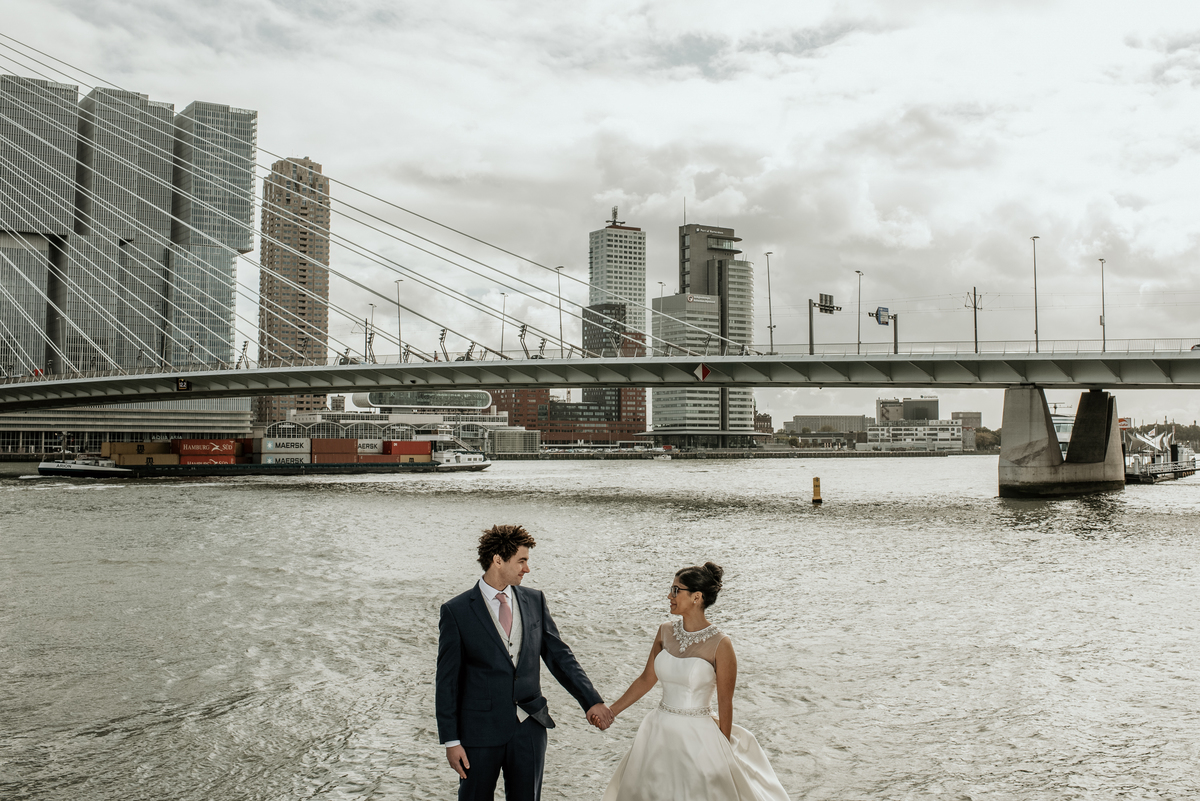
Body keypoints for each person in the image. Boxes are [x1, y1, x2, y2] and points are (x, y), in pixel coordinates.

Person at [436, 524, 614, 800]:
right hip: (479, 734)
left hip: (530, 726)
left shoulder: (534, 600)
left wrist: (591, 700)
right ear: (498, 559)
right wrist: (451, 740)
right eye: (522, 560)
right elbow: (447, 682)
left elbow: (559, 657)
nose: (527, 569)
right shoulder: (456, 611)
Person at [602, 562, 789, 800]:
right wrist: (611, 711)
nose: (669, 595)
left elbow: (725, 702)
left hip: (699, 737)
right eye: (671, 589)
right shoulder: (664, 632)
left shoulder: (721, 644)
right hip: (658, 733)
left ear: (696, 597)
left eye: (676, 590)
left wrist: (723, 746)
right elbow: (646, 679)